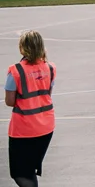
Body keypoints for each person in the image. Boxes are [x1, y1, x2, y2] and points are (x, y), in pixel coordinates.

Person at [5, 30, 56, 187]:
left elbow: (10, 101)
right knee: (29, 170)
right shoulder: (50, 68)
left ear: (22, 48)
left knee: (20, 173)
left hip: (24, 129)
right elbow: (47, 94)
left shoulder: (16, 71)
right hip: (46, 126)